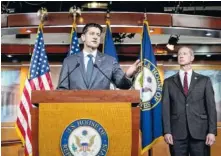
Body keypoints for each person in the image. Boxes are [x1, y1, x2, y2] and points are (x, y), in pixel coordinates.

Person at [162, 46, 217, 156]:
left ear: (192, 57)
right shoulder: (169, 82)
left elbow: (211, 107)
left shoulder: (204, 81)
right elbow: (165, 108)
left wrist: (212, 131)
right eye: (179, 54)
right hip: (176, 134)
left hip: (200, 133)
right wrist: (167, 131)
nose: (181, 56)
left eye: (185, 53)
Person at [57, 23, 140, 90]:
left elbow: (123, 85)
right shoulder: (69, 61)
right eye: (92, 34)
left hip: (101, 109)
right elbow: (62, 89)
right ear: (83, 37)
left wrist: (128, 75)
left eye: (98, 35)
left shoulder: (110, 61)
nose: (95, 37)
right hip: (75, 109)